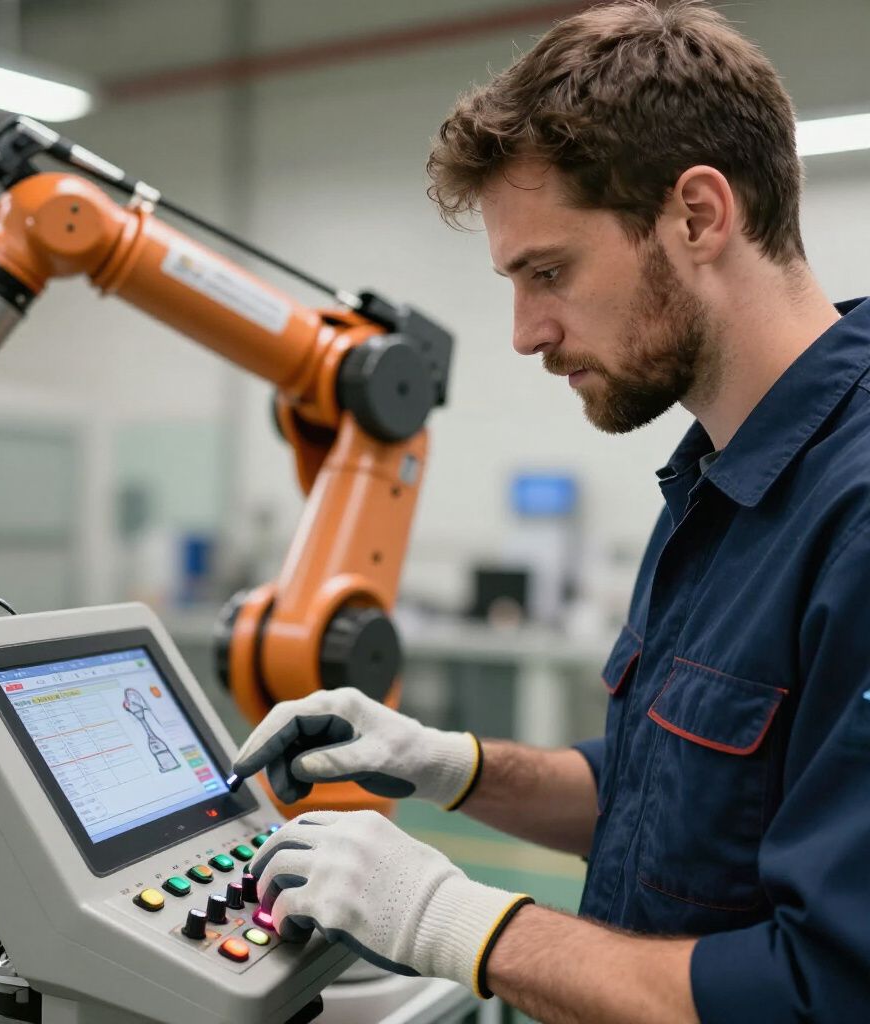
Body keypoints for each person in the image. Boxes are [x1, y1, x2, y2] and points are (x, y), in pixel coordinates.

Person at [232, 2, 870, 1020]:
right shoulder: (718, 480)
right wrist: (449, 762)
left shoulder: (855, 516)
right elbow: (671, 788)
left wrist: (463, 924)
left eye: (549, 272)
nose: (527, 333)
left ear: (699, 216)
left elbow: (825, 991)